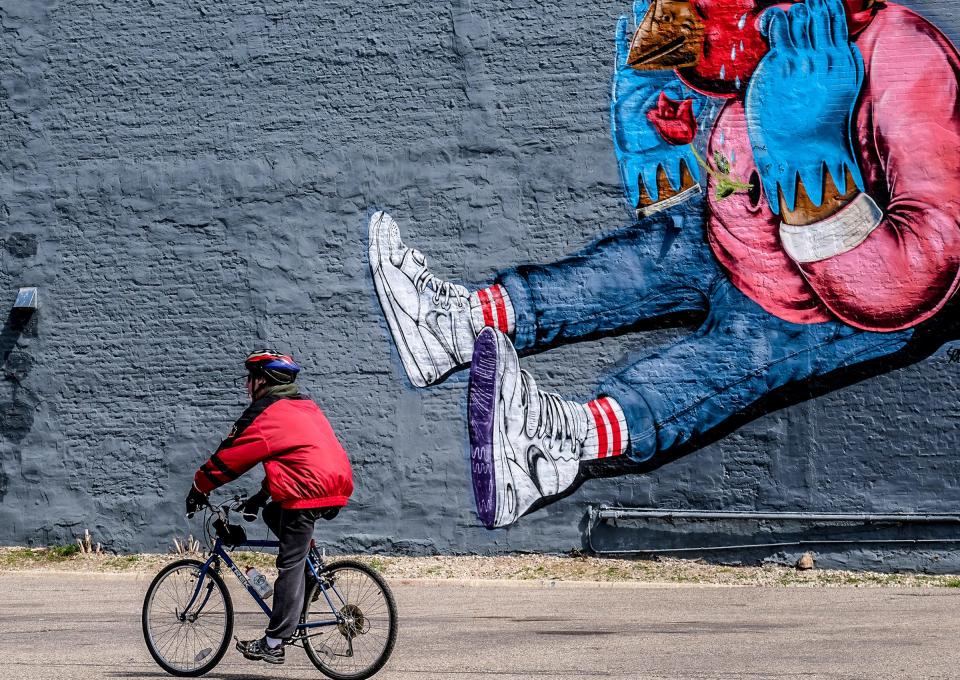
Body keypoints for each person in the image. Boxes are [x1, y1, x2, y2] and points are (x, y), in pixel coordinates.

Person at [369, 0, 960, 530]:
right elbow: (709, 113)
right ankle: (456, 326)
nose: (675, 20)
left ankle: (553, 448)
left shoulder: (907, 60)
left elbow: (916, 277)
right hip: (732, 238)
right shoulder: (773, 43)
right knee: (632, 263)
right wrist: (655, 117)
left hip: (825, 307)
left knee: (718, 365)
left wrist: (810, 161)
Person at [185, 349, 354, 665]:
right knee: (273, 513)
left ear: (263, 380)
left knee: (289, 561)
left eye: (250, 379)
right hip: (333, 481)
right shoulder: (304, 406)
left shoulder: (266, 413)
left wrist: (198, 487)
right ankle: (314, 568)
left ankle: (275, 641)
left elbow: (231, 455)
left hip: (308, 490)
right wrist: (259, 498)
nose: (247, 386)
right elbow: (297, 461)